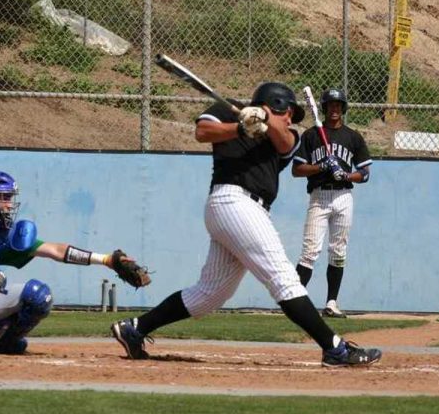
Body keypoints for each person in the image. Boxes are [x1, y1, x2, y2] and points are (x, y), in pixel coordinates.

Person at [110, 82, 382, 368]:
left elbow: (286, 142)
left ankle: (135, 329)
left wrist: (263, 120)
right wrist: (240, 127)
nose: (291, 119)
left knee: (211, 293)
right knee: (284, 278)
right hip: (232, 201)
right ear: (276, 103)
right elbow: (202, 132)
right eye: (288, 112)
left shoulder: (287, 135)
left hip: (248, 210)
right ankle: (334, 349)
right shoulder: (230, 110)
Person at [0, 169, 149, 355]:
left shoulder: (4, 235)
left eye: (10, 196)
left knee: (39, 295)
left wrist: (105, 260)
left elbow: (54, 250)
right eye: (3, 197)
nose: (10, 203)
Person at [292, 88, 372, 318]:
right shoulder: (311, 135)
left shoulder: (353, 137)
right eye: (330, 105)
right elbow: (297, 170)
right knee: (310, 252)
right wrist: (322, 167)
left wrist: (346, 175)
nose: (334, 109)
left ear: (343, 108)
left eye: (338, 105)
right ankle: (295, 302)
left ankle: (331, 302)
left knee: (338, 252)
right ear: (324, 108)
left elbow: (364, 173)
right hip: (319, 196)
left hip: (343, 197)